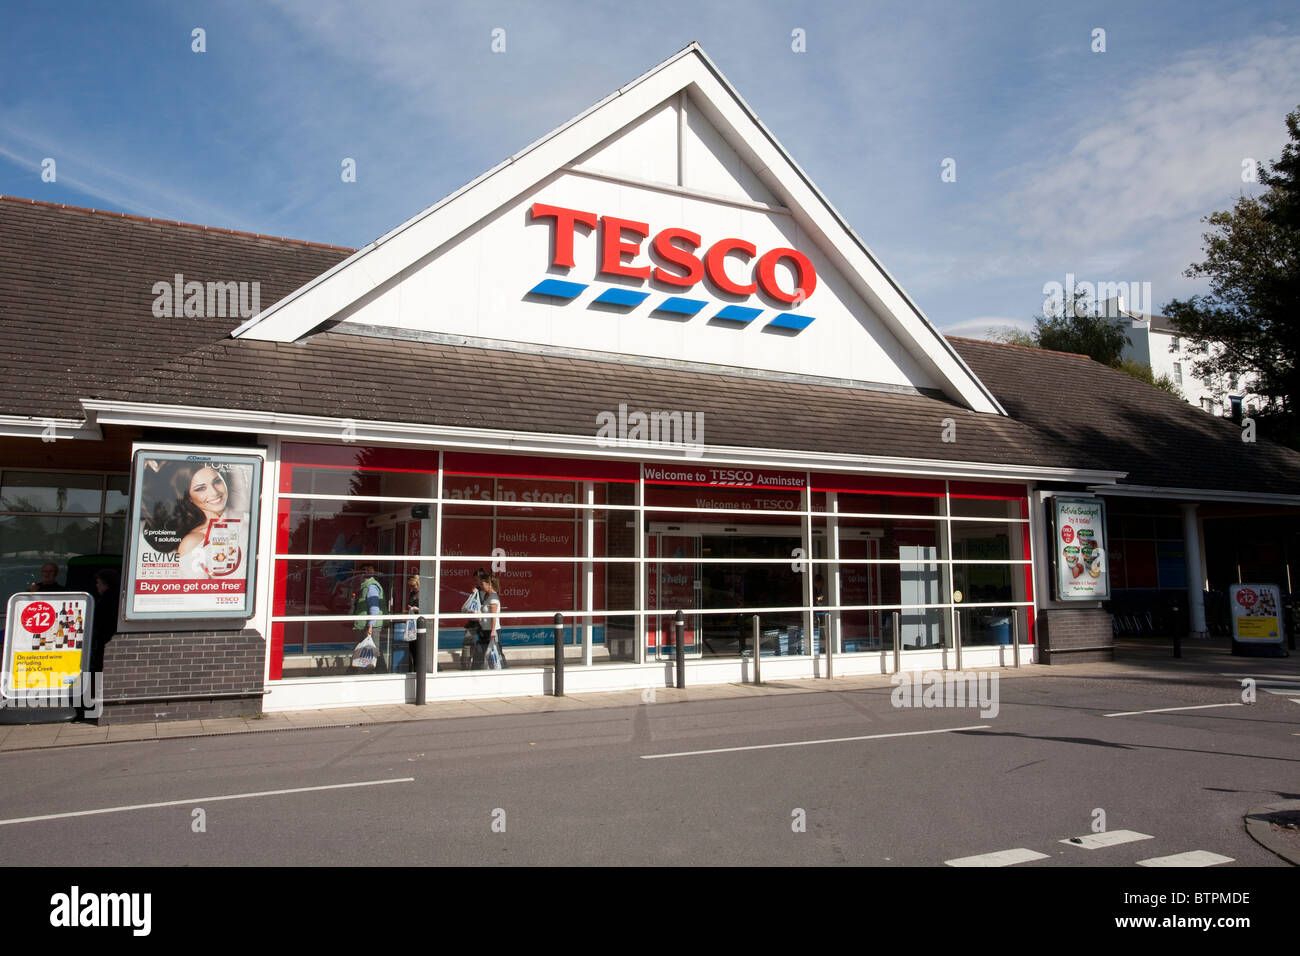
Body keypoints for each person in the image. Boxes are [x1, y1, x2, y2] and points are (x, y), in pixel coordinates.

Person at [351, 563, 386, 671]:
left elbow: (374, 608)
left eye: (359, 574)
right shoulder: (366, 586)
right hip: (367, 625)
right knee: (368, 650)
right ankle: (373, 671)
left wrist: (370, 626)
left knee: (372, 651)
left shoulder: (371, 587)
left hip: (370, 626)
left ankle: (379, 672)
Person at [90, 568, 120, 675]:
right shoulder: (118, 597)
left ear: (105, 584)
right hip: (108, 640)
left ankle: (93, 691)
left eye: (98, 583)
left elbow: (99, 622)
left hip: (103, 642)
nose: (96, 586)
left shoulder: (107, 599)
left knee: (96, 670)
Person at [390, 573, 420, 673]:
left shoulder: (424, 594)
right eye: (410, 586)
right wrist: (408, 611)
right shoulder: (412, 593)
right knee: (411, 647)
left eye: (413, 586)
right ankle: (412, 669)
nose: (411, 588)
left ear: (418, 584)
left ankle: (417, 669)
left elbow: (428, 609)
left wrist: (416, 609)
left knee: (418, 649)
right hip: (412, 624)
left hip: (420, 624)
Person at [478, 573, 505, 669]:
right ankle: (488, 669)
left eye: (482, 584)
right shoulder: (486, 595)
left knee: (495, 652)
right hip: (484, 629)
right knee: (486, 653)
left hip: (492, 630)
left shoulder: (493, 598)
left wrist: (493, 630)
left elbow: (494, 616)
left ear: (489, 584)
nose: (481, 586)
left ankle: (501, 669)